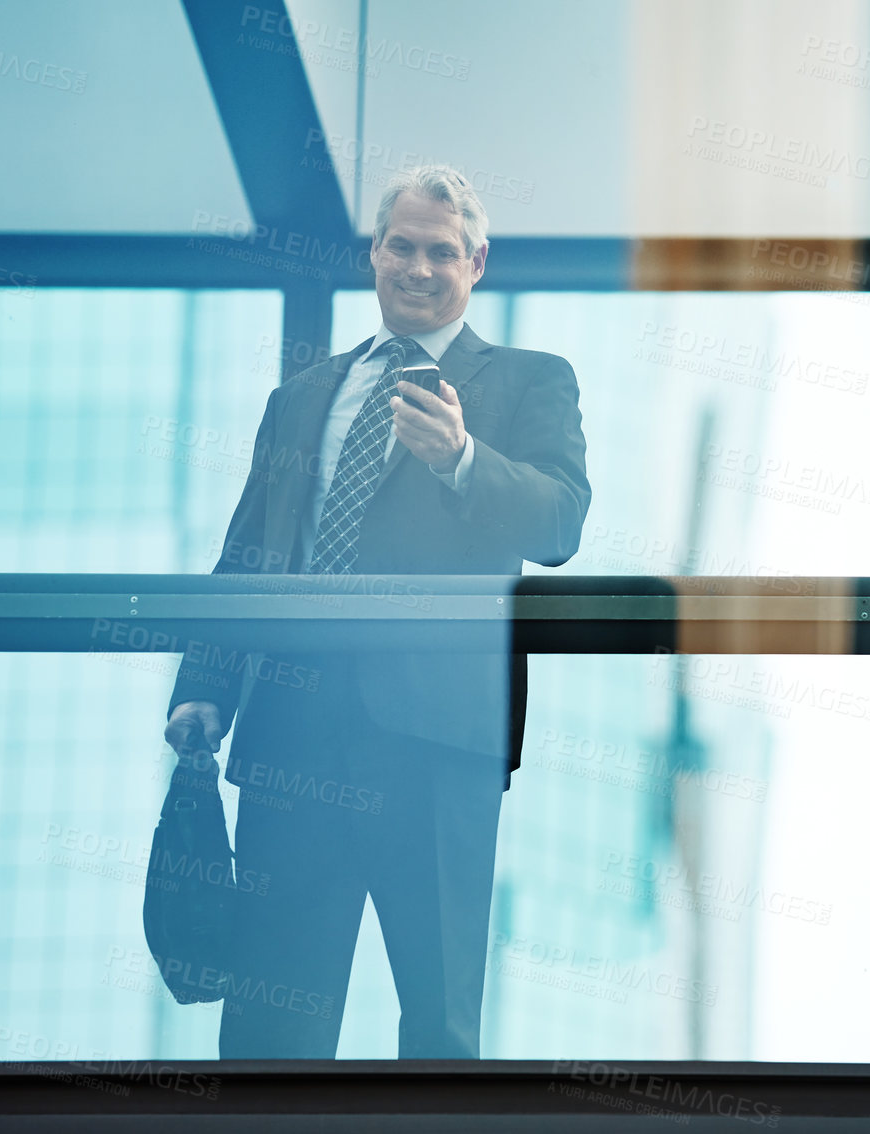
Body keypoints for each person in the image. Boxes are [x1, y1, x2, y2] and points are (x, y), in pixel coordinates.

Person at [162, 164, 591, 1058]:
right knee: (270, 1026)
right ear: (376, 252)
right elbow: (248, 550)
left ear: (477, 264)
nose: (420, 267)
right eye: (403, 245)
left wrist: (464, 459)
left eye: (443, 252)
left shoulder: (527, 382)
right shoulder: (303, 396)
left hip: (438, 747)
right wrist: (205, 684)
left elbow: (559, 523)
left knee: (438, 1024)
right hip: (290, 733)